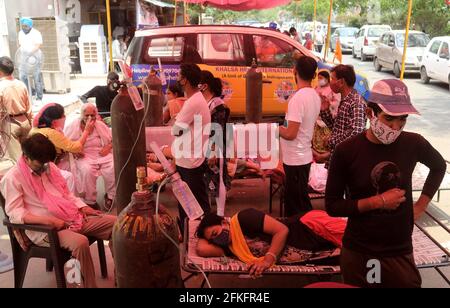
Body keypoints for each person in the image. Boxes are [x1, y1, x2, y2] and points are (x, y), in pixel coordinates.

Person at [325, 79, 446, 288]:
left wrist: (420, 206)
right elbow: (333, 205)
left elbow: (438, 166)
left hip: (399, 248)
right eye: (389, 118)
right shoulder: (346, 151)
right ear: (370, 113)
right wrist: (377, 202)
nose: (395, 127)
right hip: (362, 250)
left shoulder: (414, 143)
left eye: (402, 120)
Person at [0, 134, 116, 288]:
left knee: (118, 224)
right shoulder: (13, 178)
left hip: (70, 218)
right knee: (80, 243)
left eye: (47, 162)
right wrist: (49, 221)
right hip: (45, 229)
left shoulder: (49, 166)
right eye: (40, 163)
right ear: (26, 157)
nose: (44, 166)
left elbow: (66, 194)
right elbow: (16, 214)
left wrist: (84, 208)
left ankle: (121, 275)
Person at [195, 208, 346, 277]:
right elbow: (201, 249)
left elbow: (282, 230)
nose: (217, 238)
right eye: (213, 239)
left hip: (310, 227)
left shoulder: (244, 218)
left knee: (362, 239)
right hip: (313, 252)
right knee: (351, 256)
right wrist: (204, 233)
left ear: (224, 222)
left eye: (215, 233)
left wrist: (268, 259)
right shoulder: (232, 248)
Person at [279, 56, 321, 216]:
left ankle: (302, 235)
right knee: (300, 200)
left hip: (295, 159)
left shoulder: (298, 99)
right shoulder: (313, 95)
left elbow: (290, 133)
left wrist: (275, 129)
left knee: (296, 206)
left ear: (295, 71)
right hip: (303, 156)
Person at [172, 63, 211, 231]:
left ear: (185, 80)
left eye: (179, 76)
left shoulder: (193, 102)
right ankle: (190, 234)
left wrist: (178, 120)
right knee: (189, 205)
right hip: (190, 160)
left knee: (195, 207)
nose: (177, 79)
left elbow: (176, 130)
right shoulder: (195, 100)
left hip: (191, 162)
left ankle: (201, 236)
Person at [31, 103, 95, 192]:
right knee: (74, 175)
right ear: (54, 120)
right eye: (62, 115)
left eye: (92, 115)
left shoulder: (39, 128)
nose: (89, 118)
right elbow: (76, 147)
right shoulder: (51, 132)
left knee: (85, 169)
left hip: (56, 160)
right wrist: (87, 131)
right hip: (44, 167)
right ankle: (71, 201)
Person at [64, 104, 115, 210]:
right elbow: (66, 144)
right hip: (84, 155)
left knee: (113, 166)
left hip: (101, 153)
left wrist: (108, 147)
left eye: (92, 115)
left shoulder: (100, 125)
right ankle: (90, 201)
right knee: (87, 171)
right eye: (87, 115)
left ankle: (110, 196)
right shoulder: (73, 125)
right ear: (81, 115)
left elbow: (112, 140)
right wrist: (74, 152)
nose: (90, 118)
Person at [317, 64, 367, 167]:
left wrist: (331, 140)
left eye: (332, 79)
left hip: (347, 162)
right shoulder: (345, 100)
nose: (330, 82)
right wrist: (325, 110)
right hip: (338, 158)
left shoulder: (355, 102)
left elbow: (355, 132)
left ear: (341, 82)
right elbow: (337, 127)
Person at [199, 70, 231, 216]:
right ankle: (211, 215)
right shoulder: (207, 103)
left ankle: (220, 215)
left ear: (204, 86)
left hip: (216, 149)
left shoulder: (218, 105)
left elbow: (217, 130)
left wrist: (213, 151)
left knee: (218, 180)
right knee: (209, 181)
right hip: (207, 149)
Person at [0, 56, 32, 163]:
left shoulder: (1, 86)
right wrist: (30, 123)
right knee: (29, 156)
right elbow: (29, 107)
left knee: (18, 161)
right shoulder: (21, 84)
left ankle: (24, 179)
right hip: (25, 122)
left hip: (10, 125)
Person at [17, 17, 44, 102]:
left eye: (26, 26)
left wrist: (30, 53)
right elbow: (20, 44)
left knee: (36, 77)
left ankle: (39, 97)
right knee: (22, 76)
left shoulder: (36, 33)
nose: (24, 27)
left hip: (35, 57)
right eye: (23, 26)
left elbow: (38, 45)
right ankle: (29, 94)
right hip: (24, 57)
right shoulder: (20, 33)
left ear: (30, 26)